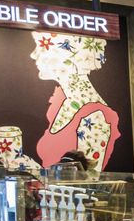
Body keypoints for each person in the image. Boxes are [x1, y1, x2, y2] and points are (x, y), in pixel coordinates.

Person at [30, 31, 122, 172]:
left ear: (68, 57)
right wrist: (22, 162)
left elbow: (88, 179)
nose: (34, 54)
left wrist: (28, 166)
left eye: (41, 48)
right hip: (55, 193)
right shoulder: (62, 103)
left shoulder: (96, 115)